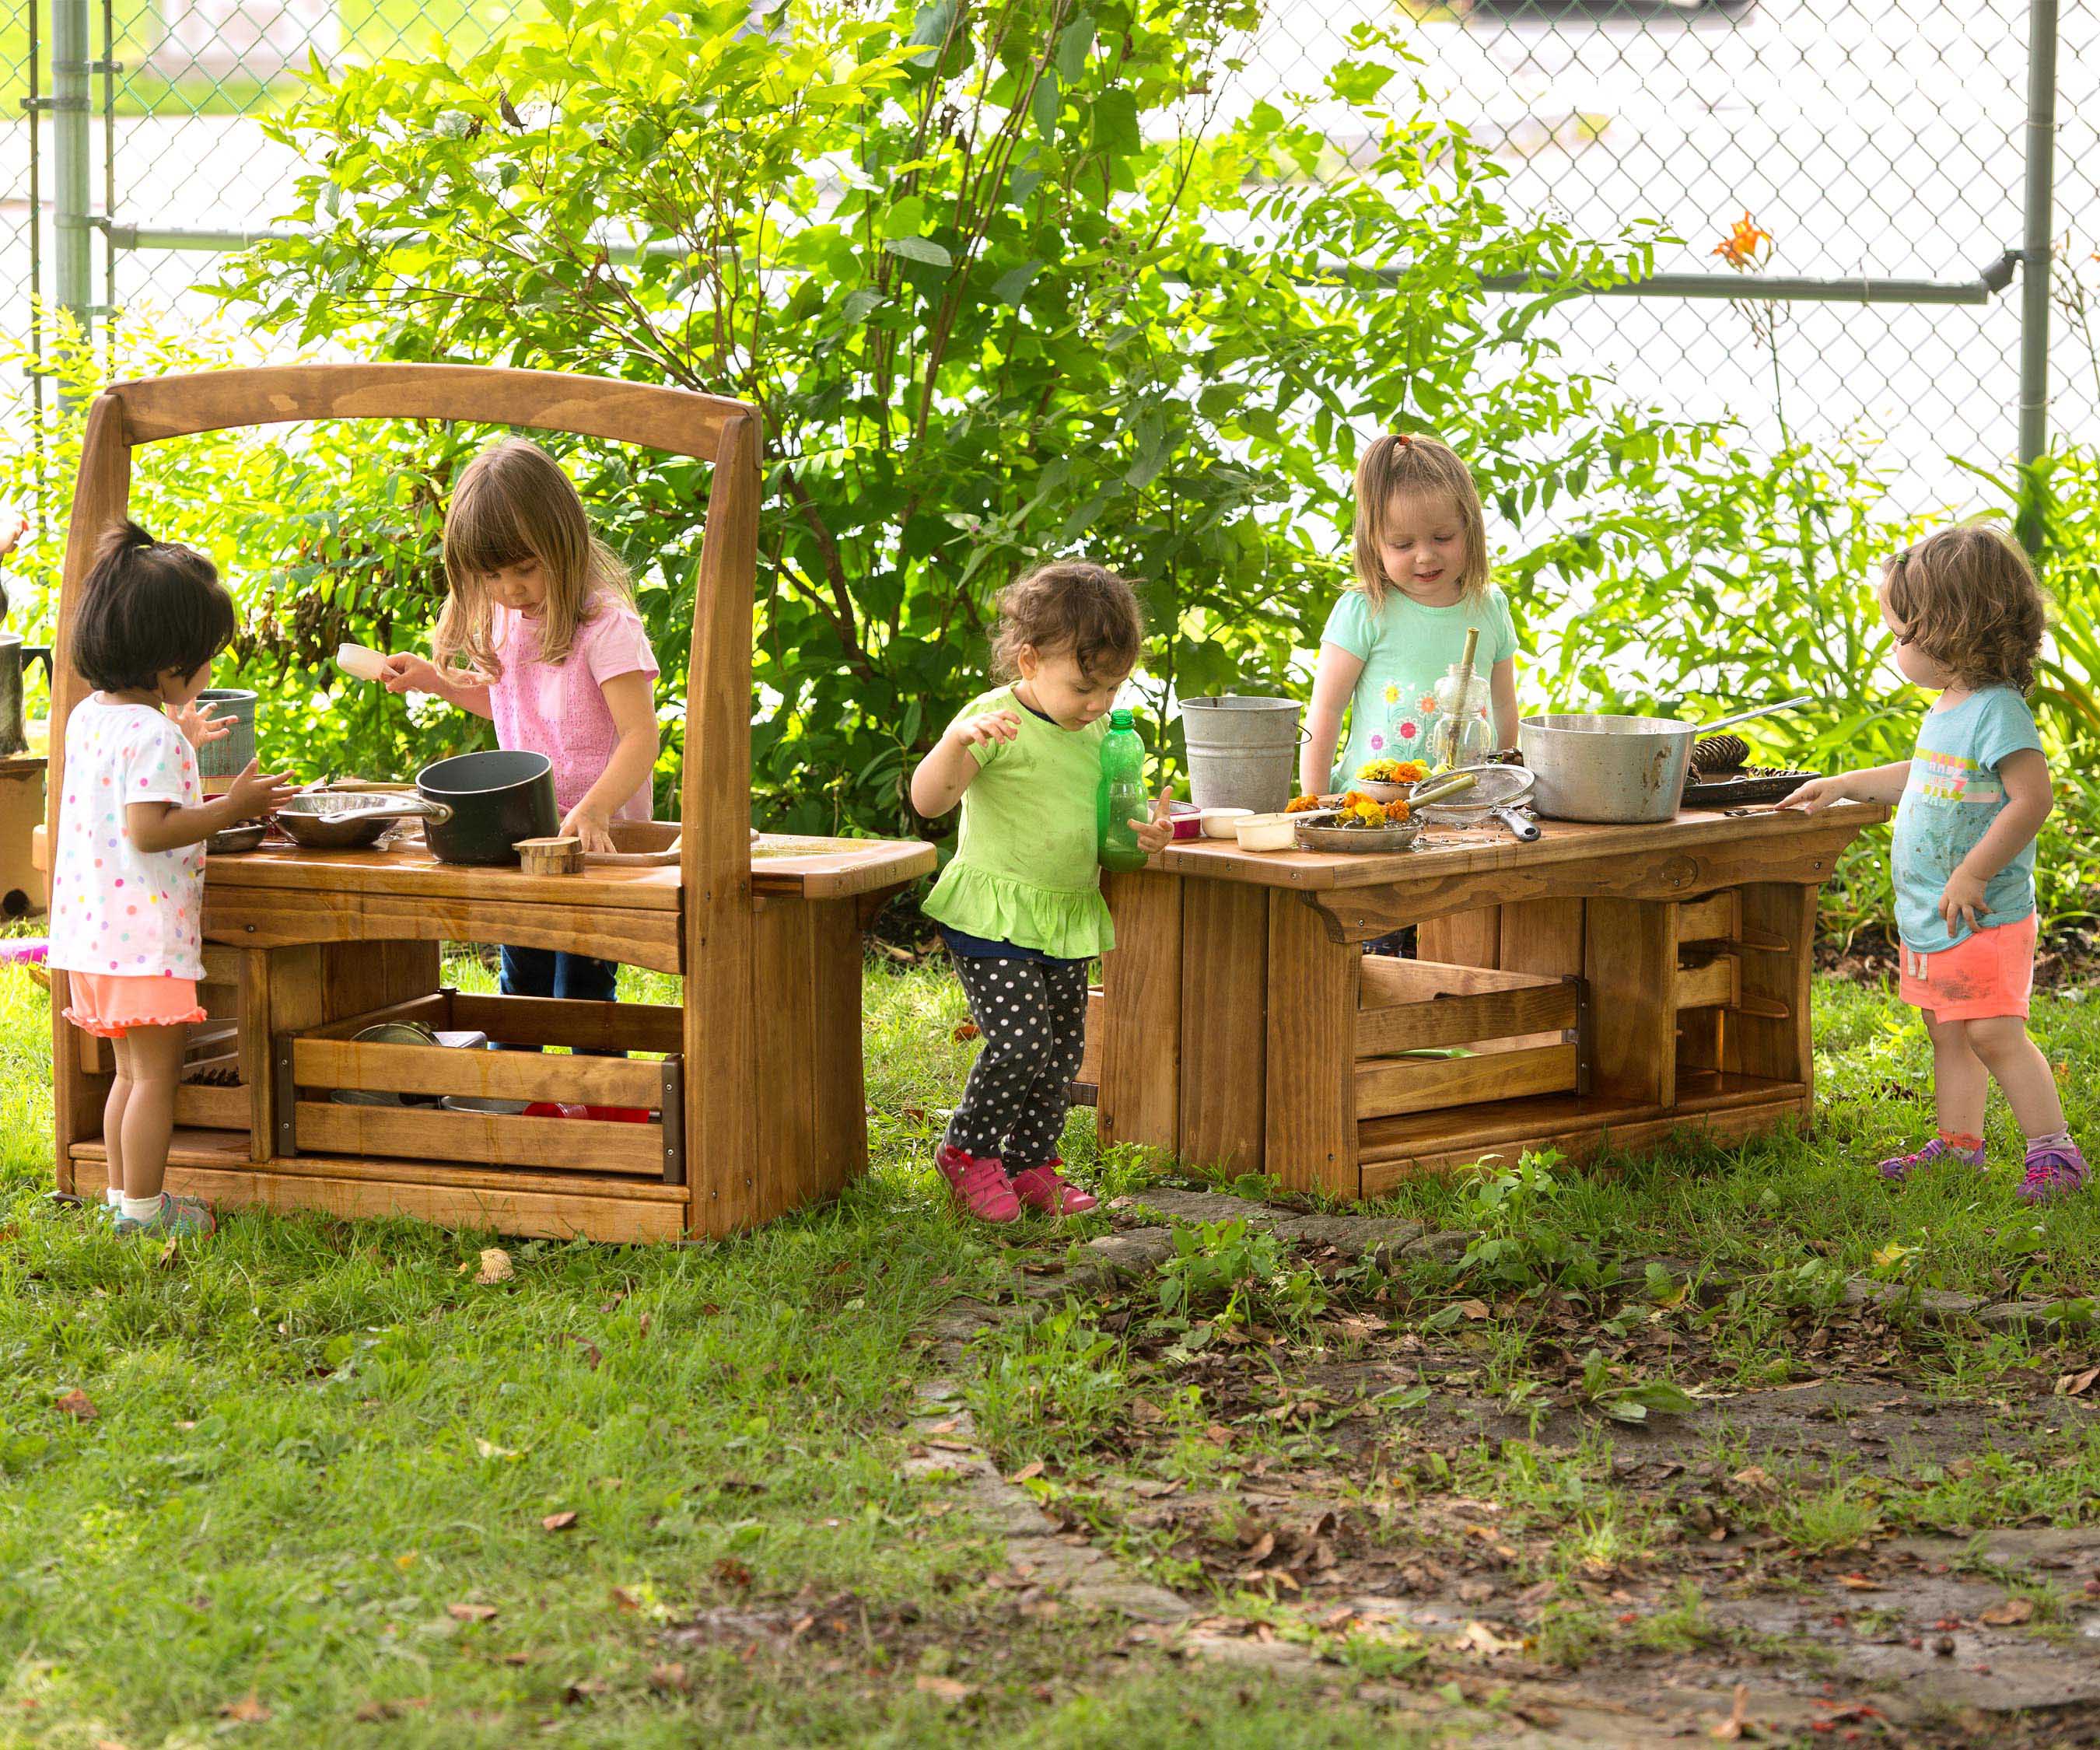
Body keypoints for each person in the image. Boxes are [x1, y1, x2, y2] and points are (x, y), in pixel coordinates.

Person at [1783, 523, 2083, 1202]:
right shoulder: (1949, 709)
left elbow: (2031, 799)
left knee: (1993, 1032)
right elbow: (1923, 778)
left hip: (1983, 913)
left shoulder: (1997, 711)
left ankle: (2055, 1152)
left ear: (1949, 630)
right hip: (1933, 913)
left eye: (1899, 635)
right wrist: (1847, 783)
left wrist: (1973, 870)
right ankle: (1958, 1147)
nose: (1892, 647)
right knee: (1947, 1030)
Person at [48, 522, 297, 1236]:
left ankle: (122, 1204)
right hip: (142, 938)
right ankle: (148, 1213)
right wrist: (232, 807)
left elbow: (118, 788)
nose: (210, 674)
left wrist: (180, 740)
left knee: (129, 1075)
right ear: (168, 667)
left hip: (93, 939)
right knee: (156, 1077)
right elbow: (150, 830)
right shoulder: (150, 734)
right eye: (205, 661)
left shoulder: (95, 718)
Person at [910, 562, 1173, 1223]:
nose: (1099, 703)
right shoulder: (993, 721)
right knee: (1021, 1042)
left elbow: (1106, 824)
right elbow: (928, 800)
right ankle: (968, 1153)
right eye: (1086, 686)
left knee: (1062, 1051)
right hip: (994, 912)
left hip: (1063, 914)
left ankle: (1031, 1162)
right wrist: (953, 741)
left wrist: (1148, 836)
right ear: (1029, 661)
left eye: (1112, 687)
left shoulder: (1100, 736)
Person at [381, 438, 660, 1008]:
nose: (509, 589)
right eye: (491, 577)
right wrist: (435, 681)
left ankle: (599, 1096)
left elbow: (641, 735)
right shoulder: (511, 620)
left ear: (563, 543)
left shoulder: (605, 626)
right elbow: (509, 706)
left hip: (592, 842)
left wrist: (597, 807)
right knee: (523, 977)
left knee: (582, 985)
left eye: (525, 569)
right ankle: (520, 1094)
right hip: (526, 833)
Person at [1301, 432, 1520, 796]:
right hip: (1373, 804)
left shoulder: (1489, 606)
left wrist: (1500, 783)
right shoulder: (1366, 610)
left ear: (1469, 527)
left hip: (1463, 801)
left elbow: (1503, 704)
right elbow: (1325, 712)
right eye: (1403, 544)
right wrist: (1316, 802)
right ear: (1374, 541)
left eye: (1443, 537)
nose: (1425, 556)